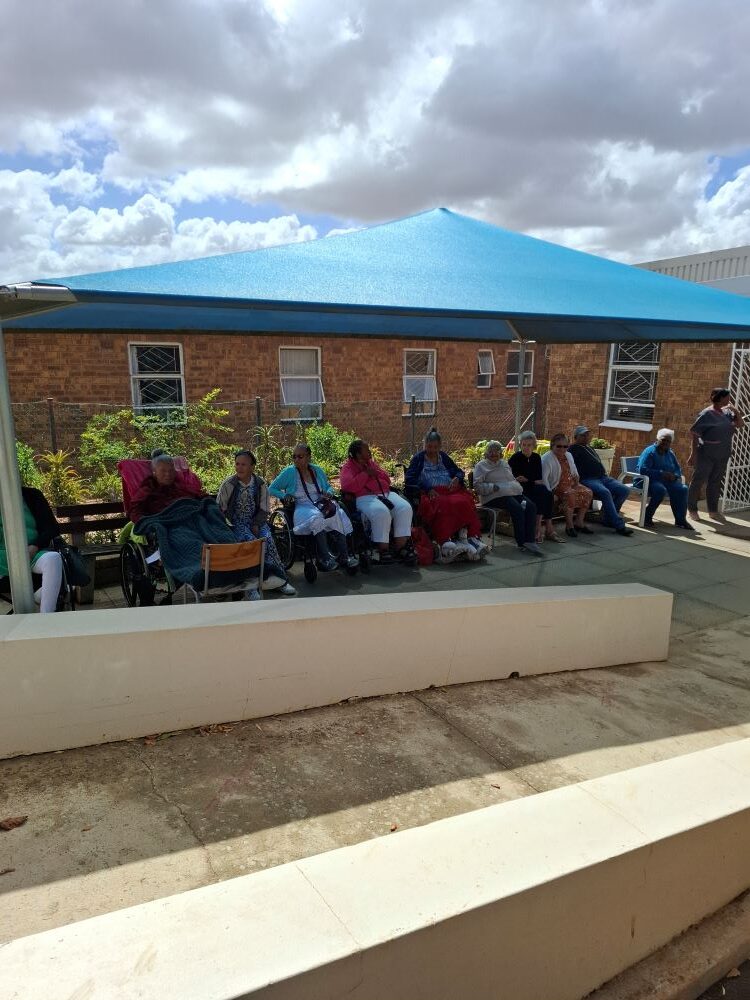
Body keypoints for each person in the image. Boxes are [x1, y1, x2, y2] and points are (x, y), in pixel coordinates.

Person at [216, 450, 297, 596]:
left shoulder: (260, 483)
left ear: (252, 466)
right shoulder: (229, 484)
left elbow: (265, 508)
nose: (239, 468)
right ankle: (250, 586)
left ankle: (279, 581)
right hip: (236, 524)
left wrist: (256, 524)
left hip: (256, 522)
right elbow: (220, 509)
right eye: (237, 464)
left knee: (268, 541)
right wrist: (227, 525)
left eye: (244, 464)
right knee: (251, 544)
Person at [268, 444, 358, 571]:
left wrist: (329, 492)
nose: (296, 460)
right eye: (294, 457)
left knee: (339, 513)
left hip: (321, 503)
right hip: (302, 505)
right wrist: (285, 495)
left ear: (309, 457)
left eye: (300, 456)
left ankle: (344, 556)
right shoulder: (289, 472)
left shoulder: (317, 470)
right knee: (316, 518)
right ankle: (325, 558)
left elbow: (328, 486)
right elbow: (271, 489)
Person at [405, 427, 488, 562]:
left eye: (435, 447)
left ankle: (469, 537)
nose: (432, 450)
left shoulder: (443, 456)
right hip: (431, 492)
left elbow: (459, 471)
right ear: (425, 445)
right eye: (429, 446)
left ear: (440, 446)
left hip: (449, 490)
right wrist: (427, 488)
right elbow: (410, 478)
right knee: (443, 503)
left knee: (464, 501)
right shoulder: (418, 459)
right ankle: (445, 539)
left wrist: (457, 478)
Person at [339, 440, 416, 564]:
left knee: (405, 507)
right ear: (358, 454)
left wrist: (374, 472)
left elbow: (386, 479)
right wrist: (365, 474)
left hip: (385, 493)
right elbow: (348, 486)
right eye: (366, 450)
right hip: (364, 496)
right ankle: (383, 550)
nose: (370, 452)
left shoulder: (371, 463)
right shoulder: (348, 467)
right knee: (381, 511)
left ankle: (400, 547)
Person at [473, 441, 543, 556]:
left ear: (501, 453)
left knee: (531, 506)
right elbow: (477, 486)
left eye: (496, 451)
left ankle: (530, 540)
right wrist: (491, 487)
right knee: (517, 508)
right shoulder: (481, 466)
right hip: (494, 496)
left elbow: (511, 479)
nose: (493, 454)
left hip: (512, 493)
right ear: (486, 453)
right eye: (490, 451)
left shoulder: (504, 463)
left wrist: (516, 486)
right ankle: (522, 542)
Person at [0, 487, 63, 613]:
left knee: (53, 559)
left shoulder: (32, 495)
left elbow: (52, 527)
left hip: (31, 552)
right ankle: (35, 598)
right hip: (3, 556)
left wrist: (35, 546)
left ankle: (45, 618)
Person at [687, 388, 745, 524]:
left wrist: (735, 411)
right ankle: (692, 509)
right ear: (719, 398)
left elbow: (740, 424)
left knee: (715, 482)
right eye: (727, 397)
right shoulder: (706, 414)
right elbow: (695, 434)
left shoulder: (727, 413)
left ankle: (713, 511)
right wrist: (692, 454)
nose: (729, 400)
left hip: (722, 453)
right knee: (698, 481)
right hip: (706, 453)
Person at [568, 426, 632, 536]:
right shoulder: (573, 449)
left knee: (624, 490)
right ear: (575, 437)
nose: (586, 437)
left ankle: (608, 519)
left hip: (603, 477)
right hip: (588, 479)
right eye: (583, 435)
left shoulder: (589, 447)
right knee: (605, 492)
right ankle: (619, 525)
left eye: (587, 435)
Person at [637, 429, 692, 530]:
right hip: (648, 480)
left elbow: (677, 468)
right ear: (658, 439)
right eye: (663, 440)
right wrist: (661, 473)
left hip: (666, 481)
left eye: (668, 441)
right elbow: (643, 470)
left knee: (682, 489)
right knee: (660, 490)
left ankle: (680, 520)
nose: (665, 443)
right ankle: (647, 516)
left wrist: (675, 476)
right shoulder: (650, 452)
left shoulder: (670, 453)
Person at [541, 434, 594, 538]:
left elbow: (574, 469)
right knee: (570, 494)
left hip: (570, 483)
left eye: (565, 446)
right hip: (555, 486)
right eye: (559, 446)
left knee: (588, 492)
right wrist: (549, 494)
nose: (562, 449)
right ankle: (569, 526)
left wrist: (576, 478)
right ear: (552, 446)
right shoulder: (547, 459)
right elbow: (544, 479)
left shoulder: (568, 455)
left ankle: (579, 522)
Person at [508, 431, 556, 542]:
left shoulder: (536, 458)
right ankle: (539, 528)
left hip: (532, 487)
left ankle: (538, 526)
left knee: (546, 493)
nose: (526, 447)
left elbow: (538, 478)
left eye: (529, 445)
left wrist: (528, 480)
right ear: (520, 445)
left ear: (534, 445)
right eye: (524, 445)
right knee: (542, 493)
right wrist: (530, 480)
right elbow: (513, 478)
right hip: (519, 489)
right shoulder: (515, 458)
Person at [129, 454, 205, 523]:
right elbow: (135, 512)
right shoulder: (147, 489)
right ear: (154, 472)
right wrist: (150, 524)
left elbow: (200, 496)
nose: (168, 474)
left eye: (171, 470)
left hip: (192, 520)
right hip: (166, 524)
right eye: (163, 471)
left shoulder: (181, 486)